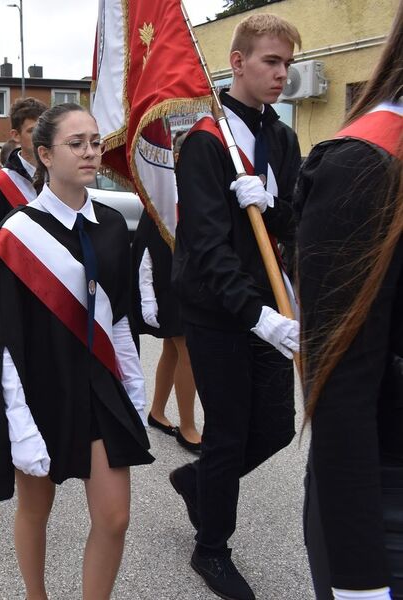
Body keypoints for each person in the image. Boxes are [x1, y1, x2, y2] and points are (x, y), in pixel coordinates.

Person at [0, 103, 151, 599]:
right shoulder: (15, 233)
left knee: (115, 518)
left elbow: (118, 318)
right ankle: (36, 595)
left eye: (95, 141)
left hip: (99, 384)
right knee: (36, 509)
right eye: (77, 143)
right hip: (41, 386)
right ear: (45, 154)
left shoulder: (113, 224)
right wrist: (20, 424)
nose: (90, 151)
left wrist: (133, 386)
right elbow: (1, 339)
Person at [168, 14, 302, 600]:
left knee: (273, 429)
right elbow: (206, 245)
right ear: (238, 61)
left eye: (288, 64)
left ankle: (198, 482)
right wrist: (258, 315)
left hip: (269, 308)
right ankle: (212, 546)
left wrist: (271, 207)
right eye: (271, 61)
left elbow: (290, 224)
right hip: (219, 311)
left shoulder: (282, 136)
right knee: (227, 433)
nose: (282, 74)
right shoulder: (204, 139)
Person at [296, 5, 403, 597]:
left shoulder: (281, 136)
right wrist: (361, 585)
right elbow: (342, 392)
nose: (282, 73)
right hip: (387, 495)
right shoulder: (365, 162)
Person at [130, 211, 202, 453]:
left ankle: (157, 412)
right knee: (188, 351)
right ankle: (188, 428)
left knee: (172, 349)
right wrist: (146, 294)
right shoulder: (158, 190)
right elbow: (144, 247)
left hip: (188, 278)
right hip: (167, 283)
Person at [0, 97, 48, 256]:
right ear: (16, 135)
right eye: (32, 131)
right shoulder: (0, 182)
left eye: (42, 130)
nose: (39, 137)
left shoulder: (58, 176)